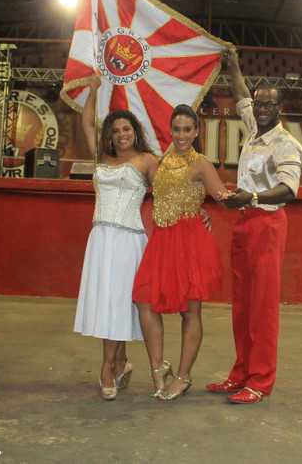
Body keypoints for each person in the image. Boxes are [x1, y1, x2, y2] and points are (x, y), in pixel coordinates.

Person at [206, 48, 302, 405]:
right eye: (259, 104)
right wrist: (232, 65)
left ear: (279, 108)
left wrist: (251, 197)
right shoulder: (252, 128)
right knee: (242, 305)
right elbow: (241, 94)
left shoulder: (286, 144)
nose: (260, 108)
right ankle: (241, 373)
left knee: (262, 306)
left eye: (268, 104)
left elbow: (288, 189)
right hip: (244, 223)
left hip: (267, 223)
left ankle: (260, 381)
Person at [133, 104, 230, 400]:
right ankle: (158, 367)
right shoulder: (163, 159)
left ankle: (184, 376)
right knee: (144, 300)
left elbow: (221, 195)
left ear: (197, 131)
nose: (182, 135)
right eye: (177, 129)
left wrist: (254, 195)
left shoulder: (201, 163)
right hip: (162, 241)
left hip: (189, 243)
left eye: (188, 129)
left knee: (190, 310)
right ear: (171, 130)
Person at [70, 76, 158, 401]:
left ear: (135, 131)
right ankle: (120, 360)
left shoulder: (147, 161)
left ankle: (107, 366)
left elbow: (169, 193)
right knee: (108, 301)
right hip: (100, 238)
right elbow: (86, 123)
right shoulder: (101, 159)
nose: (121, 135)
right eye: (116, 130)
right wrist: (93, 89)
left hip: (130, 239)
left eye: (126, 129)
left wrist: (197, 209)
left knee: (120, 302)